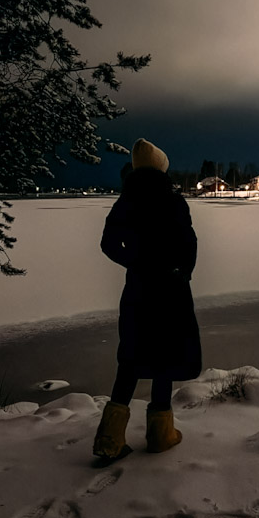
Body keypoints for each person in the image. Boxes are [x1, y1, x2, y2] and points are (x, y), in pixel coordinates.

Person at [93, 138, 202, 461]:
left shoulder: (126, 201)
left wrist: (136, 263)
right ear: (161, 168)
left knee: (131, 357)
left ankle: (110, 439)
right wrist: (181, 271)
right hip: (170, 290)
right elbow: (189, 244)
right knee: (165, 356)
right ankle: (160, 434)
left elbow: (108, 244)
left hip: (139, 289)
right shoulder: (173, 201)